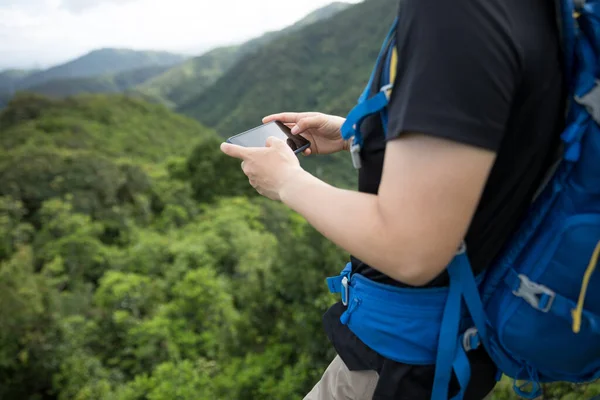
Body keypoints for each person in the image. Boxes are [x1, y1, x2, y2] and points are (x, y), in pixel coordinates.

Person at [219, 0, 566, 398]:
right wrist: (359, 131)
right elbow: (498, 129)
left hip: (403, 358)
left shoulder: (455, 12)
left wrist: (286, 182)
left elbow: (412, 248)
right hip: (459, 335)